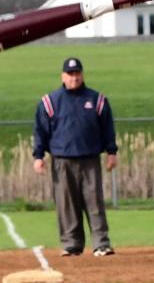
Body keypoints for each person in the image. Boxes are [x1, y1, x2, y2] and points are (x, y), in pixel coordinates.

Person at [32, 57, 117, 257]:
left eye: (77, 73)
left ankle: (101, 243)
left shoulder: (96, 100)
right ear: (63, 76)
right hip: (62, 160)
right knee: (66, 203)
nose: (74, 77)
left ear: (82, 74)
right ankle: (72, 244)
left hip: (90, 159)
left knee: (95, 202)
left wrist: (111, 152)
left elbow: (108, 128)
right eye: (70, 74)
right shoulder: (50, 102)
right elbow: (40, 131)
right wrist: (38, 156)